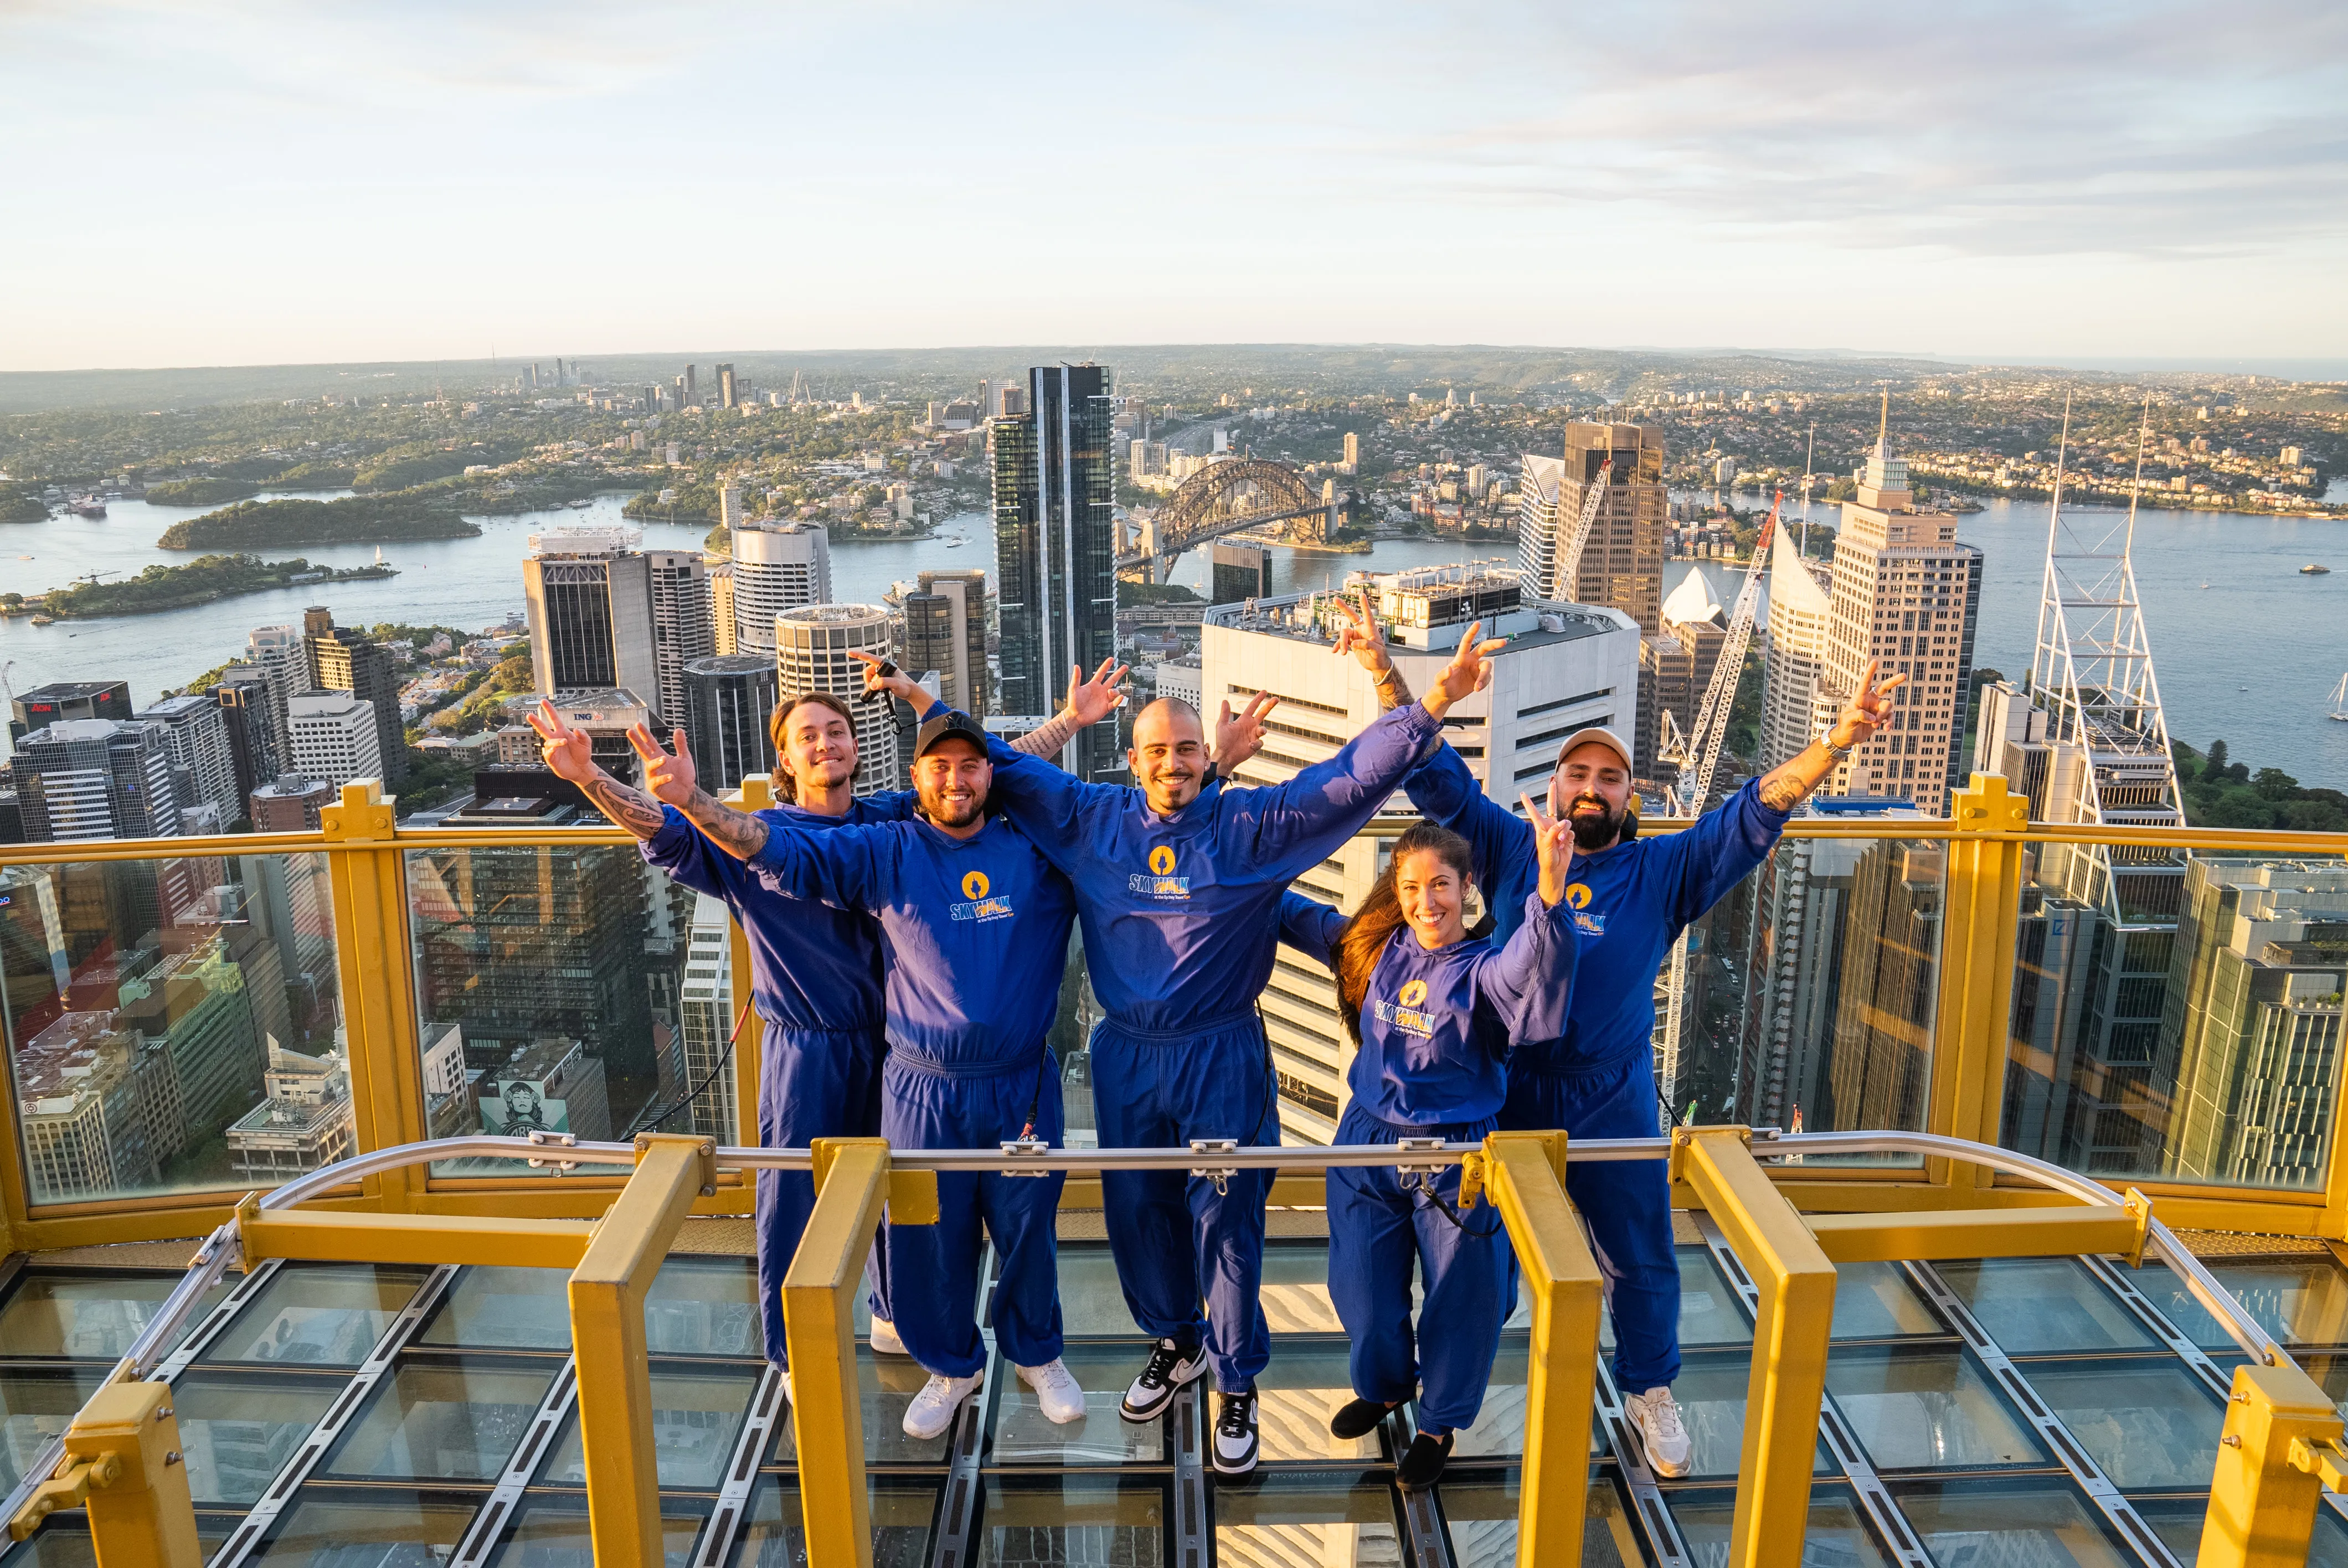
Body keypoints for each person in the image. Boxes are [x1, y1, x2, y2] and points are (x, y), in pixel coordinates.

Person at [892, 624, 1503, 1475]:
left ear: (1203, 761)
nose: (1174, 763)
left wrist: (1430, 699)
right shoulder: (1090, 819)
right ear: (1133, 761)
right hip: (1127, 1055)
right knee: (1137, 1213)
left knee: (1228, 1221)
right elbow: (997, 764)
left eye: (1188, 750)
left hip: (1220, 1053)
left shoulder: (1250, 827)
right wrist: (929, 704)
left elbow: (1344, 783)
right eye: (1158, 751)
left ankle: (1237, 1376)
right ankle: (1177, 1342)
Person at [1334, 586, 1906, 1478]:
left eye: (1608, 778)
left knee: (1637, 1250)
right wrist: (1380, 669)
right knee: (1481, 1254)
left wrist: (1837, 741)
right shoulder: (1510, 845)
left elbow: (1755, 813)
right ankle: (1451, 1392)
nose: (1590, 788)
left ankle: (1648, 1389)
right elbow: (1430, 770)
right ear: (1552, 786)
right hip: (1508, 1085)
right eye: (1577, 774)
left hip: (1610, 1089)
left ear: (1629, 796)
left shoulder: (1663, 869)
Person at [524, 664, 1125, 1397]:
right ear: (784, 757)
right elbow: (669, 828)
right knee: (791, 1199)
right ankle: (789, 1353)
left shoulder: (888, 819)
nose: (825, 744)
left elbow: (972, 772)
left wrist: (1070, 720)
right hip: (809, 1045)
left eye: (836, 731)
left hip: (904, 1044)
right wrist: (590, 779)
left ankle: (892, 1313)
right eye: (806, 736)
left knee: (894, 1194)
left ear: (856, 744)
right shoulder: (756, 838)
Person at [740, 710, 1084, 1440]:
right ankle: (952, 1364)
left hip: (1018, 1081)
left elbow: (1130, 832)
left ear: (993, 774)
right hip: (920, 1085)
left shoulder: (1037, 843)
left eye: (970, 764)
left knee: (1028, 1225)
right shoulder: (888, 843)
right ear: (914, 779)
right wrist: (679, 801)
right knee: (929, 1233)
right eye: (939, 766)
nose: (955, 778)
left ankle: (1036, 1353)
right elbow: (785, 857)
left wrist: (1073, 724)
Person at [1275, 802, 1578, 1490]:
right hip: (1368, 1139)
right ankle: (1386, 1387)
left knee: (1458, 1298)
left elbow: (1526, 967)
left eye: (1440, 885)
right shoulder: (1376, 948)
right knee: (1362, 1287)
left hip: (1456, 1155)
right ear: (1395, 890)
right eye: (1410, 887)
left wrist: (1549, 895)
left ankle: (1438, 1421)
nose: (1426, 901)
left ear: (1466, 888)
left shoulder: (1482, 967)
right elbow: (1298, 917)